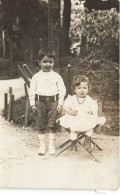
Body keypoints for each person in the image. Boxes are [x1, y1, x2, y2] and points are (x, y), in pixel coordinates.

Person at [29, 51, 66, 155]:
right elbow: (32, 91)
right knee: (40, 124)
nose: (48, 64)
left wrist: (60, 103)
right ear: (39, 62)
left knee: (52, 124)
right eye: (45, 61)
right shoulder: (36, 76)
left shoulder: (57, 76)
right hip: (39, 102)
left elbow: (62, 90)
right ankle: (42, 146)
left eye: (50, 62)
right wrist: (32, 104)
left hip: (53, 102)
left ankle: (51, 146)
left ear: (53, 62)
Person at [59, 75, 106, 151]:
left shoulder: (89, 100)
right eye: (79, 88)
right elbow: (65, 107)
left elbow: (94, 108)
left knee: (90, 128)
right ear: (75, 89)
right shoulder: (72, 98)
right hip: (75, 118)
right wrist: (71, 112)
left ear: (88, 89)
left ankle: (87, 140)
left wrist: (91, 111)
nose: (82, 90)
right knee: (73, 129)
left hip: (86, 119)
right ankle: (73, 142)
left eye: (84, 88)